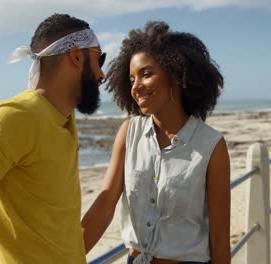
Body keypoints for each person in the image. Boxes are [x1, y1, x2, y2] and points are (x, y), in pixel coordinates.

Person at [0, 13, 106, 264]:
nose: (102, 74)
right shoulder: (17, 116)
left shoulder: (63, 118)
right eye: (99, 59)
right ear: (76, 56)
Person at [82, 21, 230, 264]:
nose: (136, 87)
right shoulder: (129, 133)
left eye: (146, 74)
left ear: (174, 73)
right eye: (131, 79)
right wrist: (64, 255)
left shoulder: (211, 146)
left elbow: (219, 238)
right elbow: (104, 205)